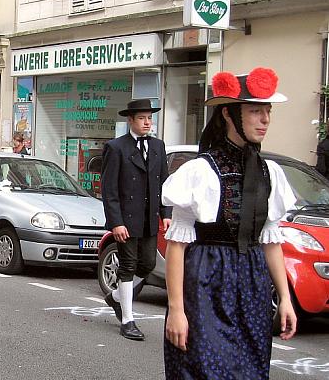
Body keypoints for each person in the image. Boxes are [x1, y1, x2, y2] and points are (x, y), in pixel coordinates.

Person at [162, 68, 297, 378]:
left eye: (268, 111)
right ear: (229, 114)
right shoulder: (199, 172)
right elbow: (177, 246)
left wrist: (285, 299)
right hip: (206, 284)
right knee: (204, 370)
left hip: (252, 287)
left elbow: (270, 241)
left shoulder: (270, 172)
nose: (265, 120)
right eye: (255, 111)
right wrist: (177, 310)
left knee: (250, 370)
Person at [100, 99, 171, 341]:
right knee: (128, 266)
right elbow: (109, 189)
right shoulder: (116, 147)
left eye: (150, 118)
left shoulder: (159, 147)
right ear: (130, 120)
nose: (147, 122)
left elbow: (163, 184)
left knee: (148, 264)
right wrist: (116, 222)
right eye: (142, 118)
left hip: (150, 218)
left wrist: (166, 214)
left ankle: (116, 297)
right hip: (127, 219)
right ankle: (128, 320)